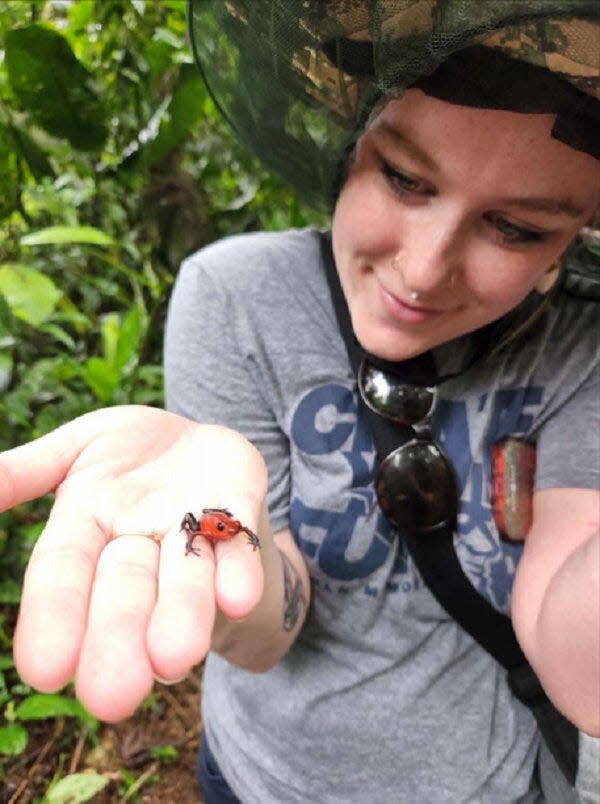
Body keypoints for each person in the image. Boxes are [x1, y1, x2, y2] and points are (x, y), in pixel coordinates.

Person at [2, 2, 599, 802]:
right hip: (264, 778)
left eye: (516, 228)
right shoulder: (240, 298)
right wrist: (223, 583)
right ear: (351, 147)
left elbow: (577, 662)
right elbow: (269, 627)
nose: (423, 271)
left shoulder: (576, 349)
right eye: (403, 177)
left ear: (574, 238)